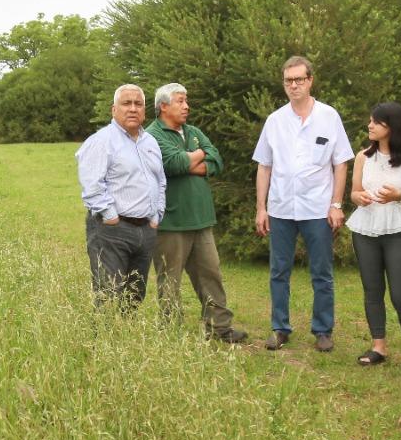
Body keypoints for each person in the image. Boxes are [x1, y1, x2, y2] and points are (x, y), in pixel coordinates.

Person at [254, 56, 354, 352]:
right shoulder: (275, 120)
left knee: (322, 272)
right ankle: (279, 328)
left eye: (299, 79)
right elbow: (264, 166)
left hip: (317, 209)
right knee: (278, 271)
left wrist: (336, 204)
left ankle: (323, 330)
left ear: (311, 80)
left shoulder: (329, 116)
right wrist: (261, 207)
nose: (294, 85)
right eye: (288, 81)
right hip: (282, 208)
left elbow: (341, 163)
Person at [146, 83, 247, 343]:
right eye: (180, 101)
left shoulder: (193, 132)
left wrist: (193, 158)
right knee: (169, 282)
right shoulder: (153, 135)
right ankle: (171, 333)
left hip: (201, 219)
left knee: (211, 274)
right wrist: (198, 155)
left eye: (186, 100)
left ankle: (220, 329)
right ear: (164, 106)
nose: (186, 106)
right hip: (171, 221)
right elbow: (174, 163)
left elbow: (217, 160)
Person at [347, 102, 401, 372]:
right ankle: (378, 347)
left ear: (392, 126)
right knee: (372, 291)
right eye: (370, 121)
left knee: (400, 295)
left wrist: (400, 197)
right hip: (366, 230)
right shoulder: (363, 156)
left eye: (376, 122)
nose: (369, 126)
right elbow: (354, 192)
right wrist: (358, 198)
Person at [75, 84, 167, 309]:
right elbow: (93, 185)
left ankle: (126, 340)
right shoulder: (101, 141)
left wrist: (156, 217)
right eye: (126, 103)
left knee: (135, 294)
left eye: (138, 104)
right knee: (109, 295)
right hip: (112, 230)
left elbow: (160, 181)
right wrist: (111, 216)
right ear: (114, 109)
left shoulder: (150, 142)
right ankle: (104, 341)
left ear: (145, 110)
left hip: (145, 230)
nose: (133, 108)